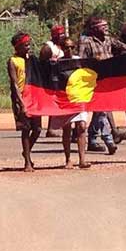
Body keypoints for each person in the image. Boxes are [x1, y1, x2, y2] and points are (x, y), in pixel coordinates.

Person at [78, 17, 126, 154]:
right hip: (93, 79)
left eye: (106, 25)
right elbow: (81, 61)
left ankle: (93, 139)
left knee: (101, 109)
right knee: (102, 109)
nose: (106, 28)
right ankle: (109, 139)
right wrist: (95, 62)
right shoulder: (86, 41)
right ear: (94, 29)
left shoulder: (108, 40)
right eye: (103, 26)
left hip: (108, 79)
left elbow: (124, 47)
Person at [44, 38, 90, 169]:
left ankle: (82, 160)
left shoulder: (79, 61)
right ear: (62, 48)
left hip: (79, 97)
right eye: (66, 47)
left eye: (71, 47)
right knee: (67, 128)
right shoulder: (58, 63)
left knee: (81, 126)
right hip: (65, 99)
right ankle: (68, 159)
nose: (69, 50)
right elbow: (53, 80)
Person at [7, 32, 41, 172]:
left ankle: (26, 151)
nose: (28, 47)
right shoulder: (13, 61)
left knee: (37, 129)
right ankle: (27, 161)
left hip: (34, 97)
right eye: (25, 45)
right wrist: (21, 103)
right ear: (18, 47)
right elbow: (14, 83)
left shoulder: (32, 59)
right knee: (26, 129)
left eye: (29, 45)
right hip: (20, 97)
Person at [40, 25, 66, 138]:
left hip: (62, 79)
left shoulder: (63, 46)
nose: (63, 36)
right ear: (55, 35)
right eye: (60, 34)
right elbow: (42, 64)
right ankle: (51, 128)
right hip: (52, 79)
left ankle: (59, 126)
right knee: (53, 103)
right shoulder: (48, 47)